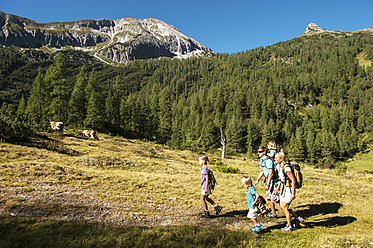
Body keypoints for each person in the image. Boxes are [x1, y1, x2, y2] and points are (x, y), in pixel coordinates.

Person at [275, 151, 304, 232]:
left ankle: (289, 225)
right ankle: (297, 217)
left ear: (281, 159)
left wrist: (293, 193)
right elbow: (282, 178)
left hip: (289, 189)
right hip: (284, 188)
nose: (275, 159)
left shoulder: (286, 168)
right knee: (282, 206)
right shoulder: (280, 166)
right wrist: (279, 187)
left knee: (285, 207)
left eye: (276, 158)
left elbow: (293, 180)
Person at [254, 146, 279, 218]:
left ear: (264, 152)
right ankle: (273, 213)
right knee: (269, 198)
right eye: (258, 151)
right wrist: (258, 179)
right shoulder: (261, 160)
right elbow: (262, 170)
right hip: (268, 180)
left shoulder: (268, 161)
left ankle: (288, 210)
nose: (258, 153)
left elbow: (271, 173)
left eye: (260, 152)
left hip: (273, 181)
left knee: (275, 199)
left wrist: (267, 184)